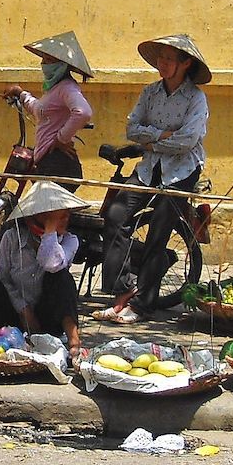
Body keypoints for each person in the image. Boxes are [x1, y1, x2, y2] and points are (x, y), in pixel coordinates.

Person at [95, 34, 211, 324]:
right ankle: (122, 292)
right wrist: (161, 137)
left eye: (169, 59)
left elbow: (187, 141)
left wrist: (152, 140)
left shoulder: (196, 99)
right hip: (149, 169)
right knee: (116, 214)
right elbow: (132, 128)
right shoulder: (150, 93)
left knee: (159, 230)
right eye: (160, 59)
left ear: (185, 64)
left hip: (182, 171)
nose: (163, 64)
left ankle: (143, 305)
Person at [0, 181, 87, 358]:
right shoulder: (11, 238)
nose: (65, 219)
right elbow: (3, 278)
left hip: (47, 319)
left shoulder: (70, 241)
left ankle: (74, 343)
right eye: (57, 216)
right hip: (13, 316)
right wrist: (24, 310)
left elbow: (52, 264)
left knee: (62, 277)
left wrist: (49, 231)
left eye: (65, 215)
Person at [2, 31, 94, 192]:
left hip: (57, 161)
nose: (44, 64)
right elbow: (40, 110)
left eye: (50, 60)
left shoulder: (67, 87)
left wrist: (61, 138)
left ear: (63, 64)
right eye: (44, 59)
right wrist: (20, 93)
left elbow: (83, 112)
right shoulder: (54, 89)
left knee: (48, 214)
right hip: (46, 158)